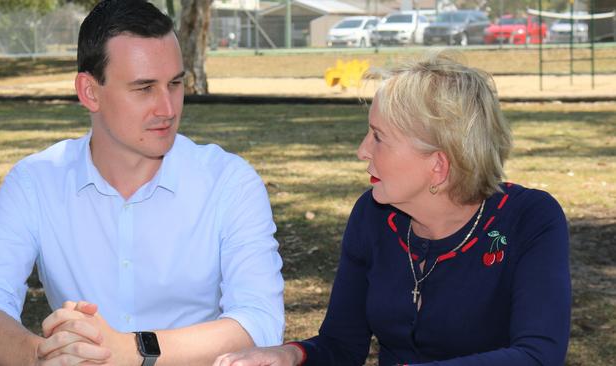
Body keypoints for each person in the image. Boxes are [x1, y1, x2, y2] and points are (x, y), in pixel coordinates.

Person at [0, 0, 284, 365]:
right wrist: (42, 356)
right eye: (144, 88)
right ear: (89, 92)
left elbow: (259, 323)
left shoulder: (229, 181)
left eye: (175, 83)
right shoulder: (35, 181)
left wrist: (133, 351)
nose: (167, 108)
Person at [213, 52, 571, 366]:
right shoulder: (373, 215)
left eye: (378, 137)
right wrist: (289, 355)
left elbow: (538, 355)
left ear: (438, 165)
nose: (362, 150)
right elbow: (342, 345)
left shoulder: (530, 219)